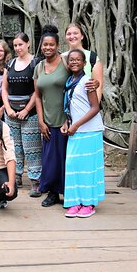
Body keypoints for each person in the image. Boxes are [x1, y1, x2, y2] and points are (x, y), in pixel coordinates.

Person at [61, 50, 105, 217]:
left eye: (78, 60)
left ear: (84, 63)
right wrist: (67, 123)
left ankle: (89, 203)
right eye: (71, 60)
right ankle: (75, 201)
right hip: (75, 129)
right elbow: (70, 106)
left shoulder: (87, 82)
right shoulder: (69, 82)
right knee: (73, 165)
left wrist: (76, 125)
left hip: (90, 130)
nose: (74, 62)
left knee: (88, 167)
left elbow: (95, 107)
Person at [1, 32, 43, 197]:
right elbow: (4, 88)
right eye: (15, 45)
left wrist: (26, 110)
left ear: (28, 44)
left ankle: (35, 180)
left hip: (30, 112)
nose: (18, 48)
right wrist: (8, 108)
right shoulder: (10, 63)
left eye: (20, 44)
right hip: (11, 112)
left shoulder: (36, 63)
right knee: (14, 146)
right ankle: (16, 176)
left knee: (32, 147)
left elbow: (37, 89)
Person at [34, 25, 69, 207]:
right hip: (47, 120)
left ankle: (69, 193)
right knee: (50, 160)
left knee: (65, 159)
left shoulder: (65, 63)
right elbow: (38, 95)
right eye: (45, 45)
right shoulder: (39, 67)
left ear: (57, 45)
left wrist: (69, 118)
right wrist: (40, 120)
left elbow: (76, 86)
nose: (48, 48)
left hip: (65, 121)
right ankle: (52, 193)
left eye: (51, 45)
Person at [63, 23, 103, 100]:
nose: (72, 36)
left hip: (86, 103)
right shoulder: (62, 57)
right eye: (69, 34)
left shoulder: (92, 57)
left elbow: (99, 85)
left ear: (82, 36)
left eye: (75, 33)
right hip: (65, 104)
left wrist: (94, 107)